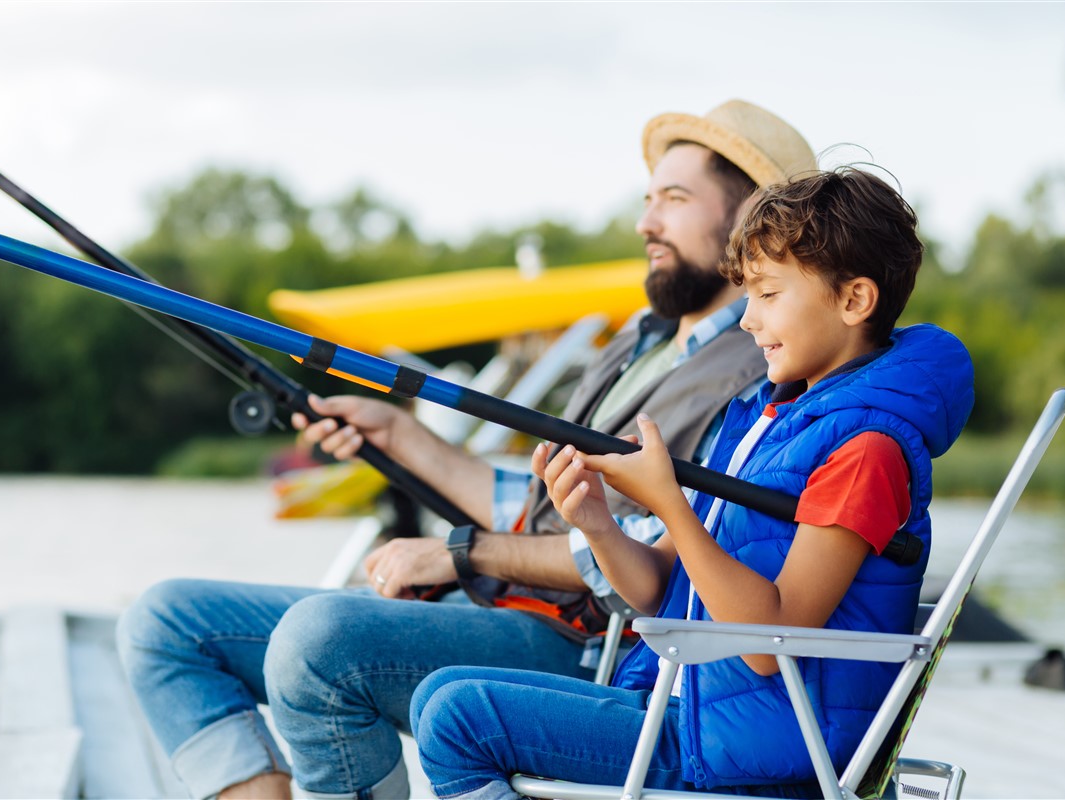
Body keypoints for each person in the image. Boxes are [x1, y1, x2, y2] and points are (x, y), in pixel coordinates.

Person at [116, 100, 817, 800]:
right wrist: (401, 437)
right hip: (505, 611)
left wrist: (460, 551)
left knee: (317, 640)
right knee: (166, 624)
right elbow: (546, 508)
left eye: (674, 198)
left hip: (588, 648)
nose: (646, 223)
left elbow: (655, 557)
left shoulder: (760, 367)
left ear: (750, 214)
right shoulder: (644, 340)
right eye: (647, 199)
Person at [411, 167, 975, 798]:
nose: (746, 321)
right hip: (693, 712)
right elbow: (658, 588)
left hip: (760, 753)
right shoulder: (770, 420)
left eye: (767, 295)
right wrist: (595, 521)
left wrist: (670, 504)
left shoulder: (867, 452)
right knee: (439, 692)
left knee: (459, 717)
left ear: (854, 301)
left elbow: (769, 644)